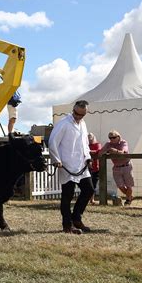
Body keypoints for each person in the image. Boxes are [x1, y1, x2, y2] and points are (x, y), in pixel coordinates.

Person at [48, 100, 94, 234]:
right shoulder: (63, 123)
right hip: (67, 164)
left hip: (81, 164)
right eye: (76, 113)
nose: (78, 117)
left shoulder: (83, 124)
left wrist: (88, 157)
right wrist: (56, 159)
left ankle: (76, 218)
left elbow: (85, 142)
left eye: (82, 115)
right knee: (67, 196)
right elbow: (52, 142)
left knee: (89, 190)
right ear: (73, 110)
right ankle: (67, 225)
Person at [99, 130, 135, 205]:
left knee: (129, 185)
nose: (112, 139)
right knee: (120, 186)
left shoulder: (123, 142)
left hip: (126, 166)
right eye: (110, 138)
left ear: (118, 137)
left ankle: (128, 200)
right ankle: (130, 196)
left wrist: (114, 151)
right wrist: (105, 152)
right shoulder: (108, 144)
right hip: (116, 167)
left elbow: (123, 152)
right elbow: (100, 152)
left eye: (114, 137)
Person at [88, 133, 101, 205]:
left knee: (94, 184)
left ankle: (92, 199)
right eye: (88, 139)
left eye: (91, 138)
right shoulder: (86, 145)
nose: (89, 140)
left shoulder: (97, 144)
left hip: (95, 167)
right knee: (88, 184)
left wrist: (89, 152)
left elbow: (98, 150)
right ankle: (89, 198)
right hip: (86, 168)